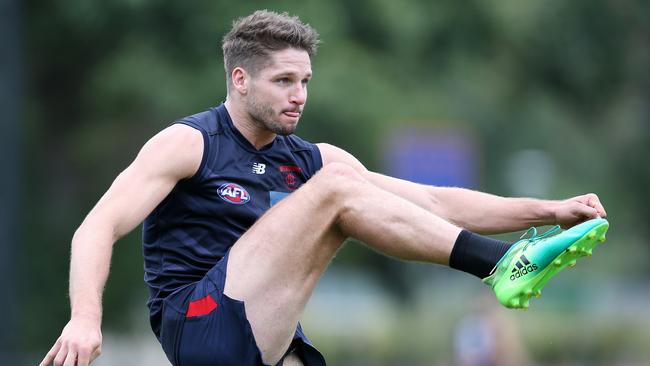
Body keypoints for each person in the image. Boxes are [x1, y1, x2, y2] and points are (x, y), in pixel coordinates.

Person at [40, 10, 609, 366]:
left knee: (339, 182)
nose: (299, 95)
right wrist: (85, 319)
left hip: (267, 335)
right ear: (239, 81)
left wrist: (550, 209)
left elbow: (433, 201)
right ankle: (503, 265)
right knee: (337, 186)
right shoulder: (190, 144)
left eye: (305, 81)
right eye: (283, 80)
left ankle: (508, 260)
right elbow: (97, 226)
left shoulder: (308, 160)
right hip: (199, 323)